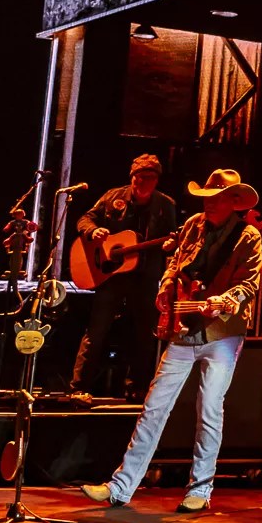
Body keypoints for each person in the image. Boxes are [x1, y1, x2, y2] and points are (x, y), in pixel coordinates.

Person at [80, 169, 262, 513]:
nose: (208, 203)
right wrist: (165, 288)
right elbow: (175, 263)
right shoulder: (194, 223)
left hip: (223, 333)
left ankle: (201, 489)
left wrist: (224, 300)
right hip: (184, 329)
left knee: (208, 408)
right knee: (153, 407)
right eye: (206, 197)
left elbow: (249, 284)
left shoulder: (249, 236)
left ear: (232, 201)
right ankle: (120, 486)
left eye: (215, 197)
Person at [69, 154, 179, 397]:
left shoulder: (165, 205)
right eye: (138, 177)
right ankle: (79, 388)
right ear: (131, 178)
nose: (142, 182)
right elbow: (85, 218)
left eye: (148, 178)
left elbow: (170, 241)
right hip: (112, 275)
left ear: (156, 180)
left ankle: (136, 389)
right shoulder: (113, 196)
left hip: (145, 276)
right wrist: (93, 230)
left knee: (143, 334)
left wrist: (170, 247)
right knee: (96, 331)